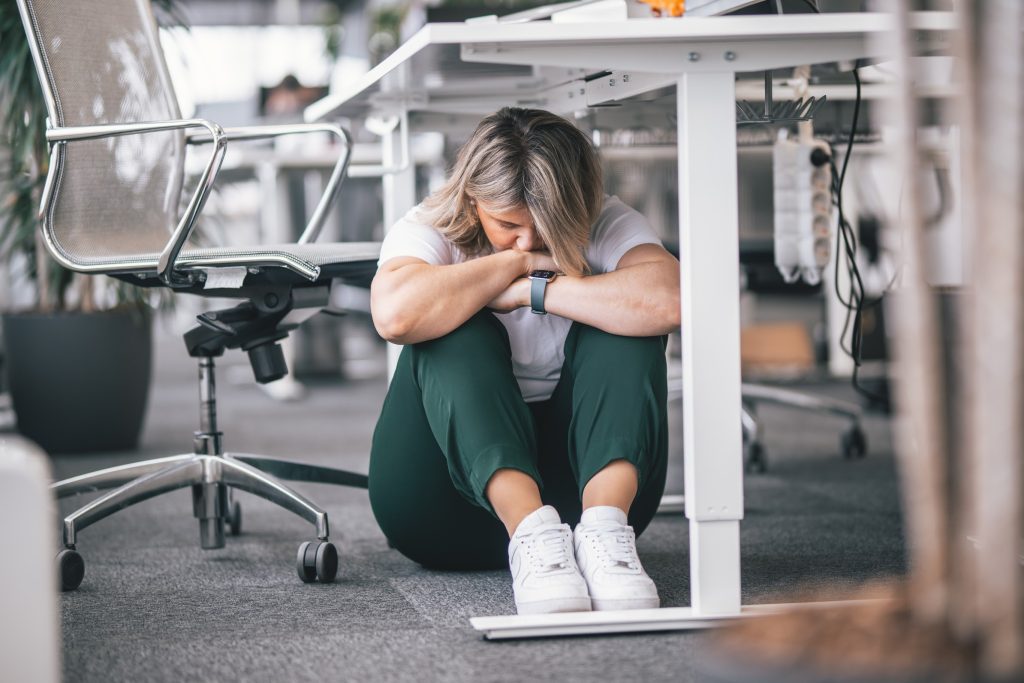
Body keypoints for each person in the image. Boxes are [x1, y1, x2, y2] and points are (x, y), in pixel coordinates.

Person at [368, 107, 680, 615]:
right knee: (447, 322)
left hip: (587, 506)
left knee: (630, 323)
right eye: (507, 225)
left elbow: (669, 301)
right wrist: (510, 266)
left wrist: (536, 291)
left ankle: (605, 533)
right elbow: (396, 315)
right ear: (473, 201)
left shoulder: (606, 219)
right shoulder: (431, 226)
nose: (529, 241)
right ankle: (530, 533)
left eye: (544, 228)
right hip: (441, 509)